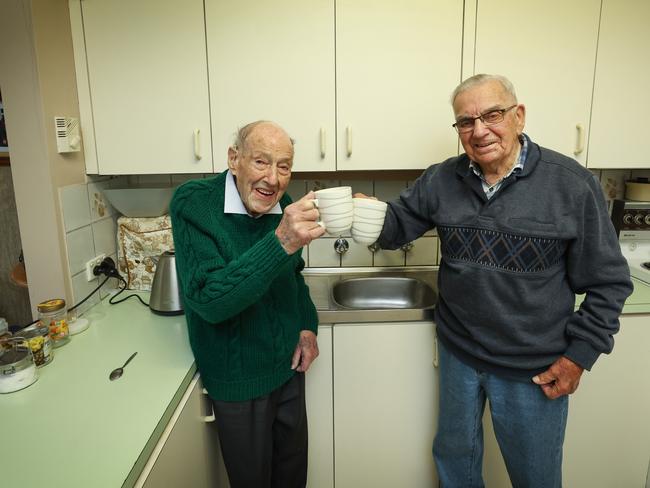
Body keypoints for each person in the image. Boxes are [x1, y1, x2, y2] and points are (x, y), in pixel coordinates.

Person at [375, 74, 633, 487]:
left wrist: (577, 358)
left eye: (492, 115)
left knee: (535, 477)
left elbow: (610, 283)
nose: (479, 131)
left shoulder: (570, 184)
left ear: (518, 116)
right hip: (460, 355)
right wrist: (362, 212)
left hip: (532, 366)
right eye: (465, 121)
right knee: (455, 465)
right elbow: (393, 229)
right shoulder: (443, 179)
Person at [169, 120, 326, 488]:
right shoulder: (194, 204)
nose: (273, 179)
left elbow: (293, 276)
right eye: (260, 162)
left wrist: (306, 325)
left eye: (283, 166)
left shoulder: (282, 205)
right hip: (238, 378)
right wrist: (281, 242)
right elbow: (210, 299)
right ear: (234, 159)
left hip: (288, 369)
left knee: (291, 477)